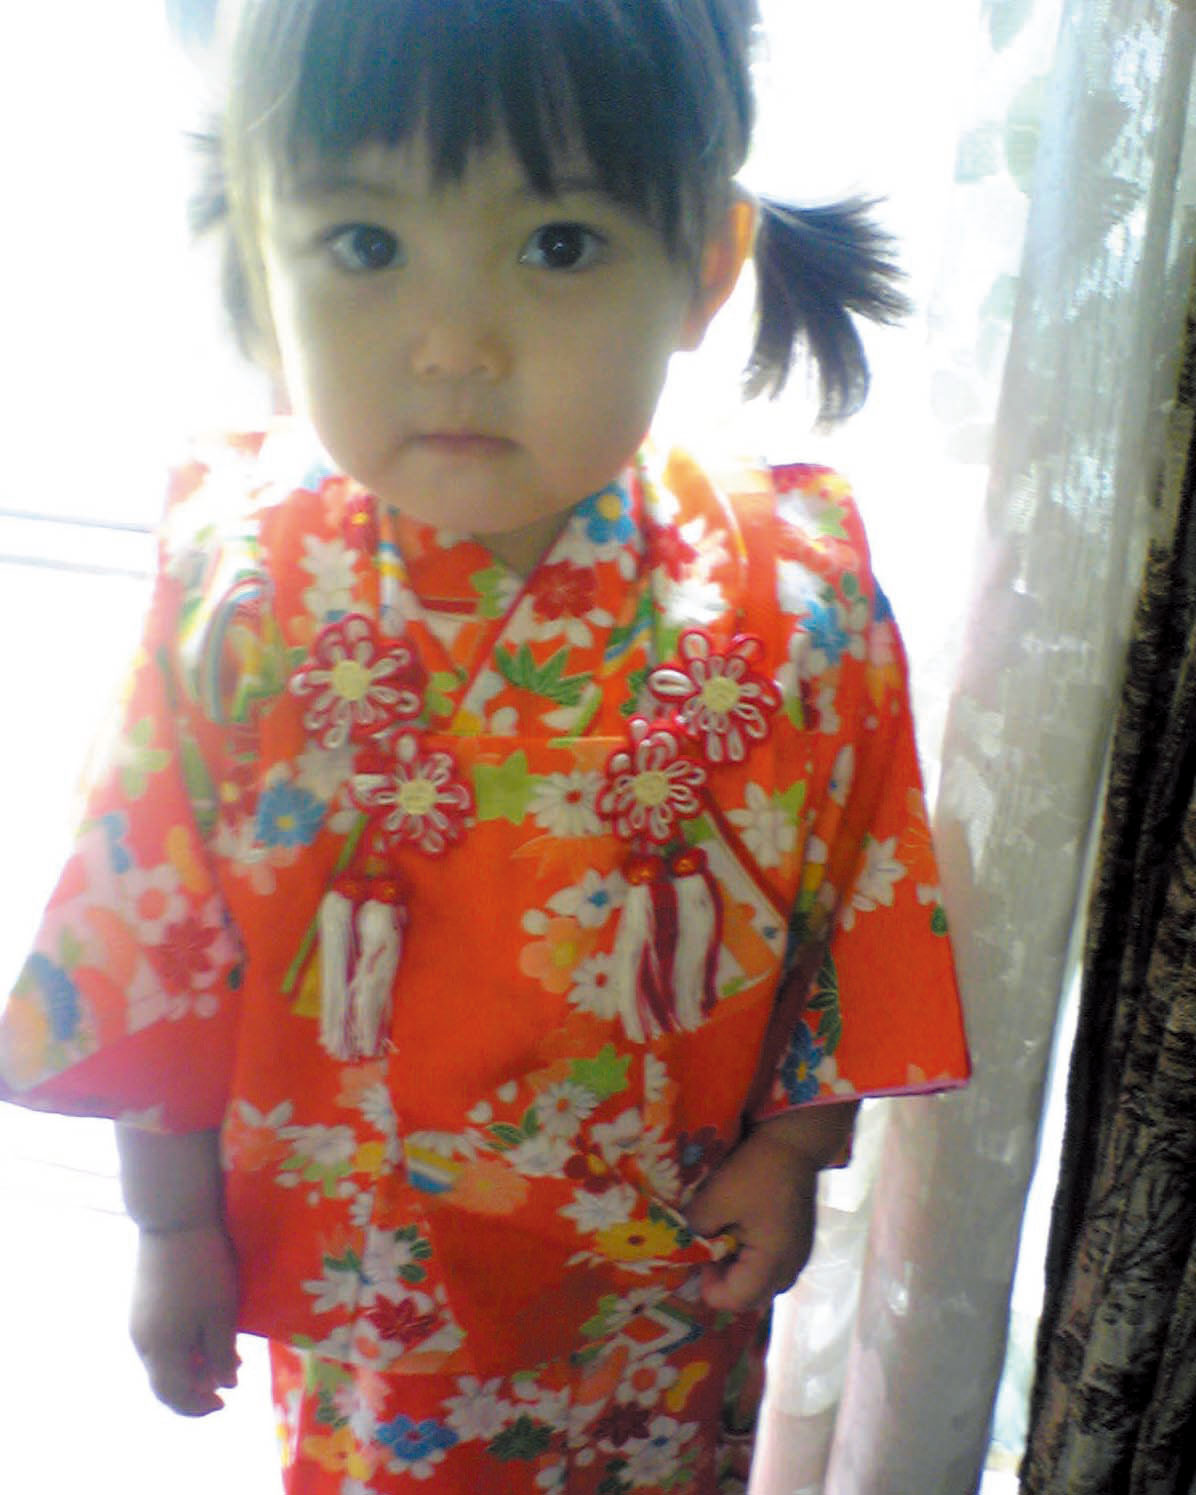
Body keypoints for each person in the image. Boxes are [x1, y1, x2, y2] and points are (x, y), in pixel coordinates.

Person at [0, 1, 970, 1490]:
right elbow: (153, 938)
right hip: (368, 1280)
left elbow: (852, 887)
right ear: (262, 250)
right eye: (366, 244)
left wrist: (795, 1151)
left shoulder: (794, 587)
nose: (453, 347)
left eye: (560, 244)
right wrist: (170, 1223)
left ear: (705, 266)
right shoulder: (238, 589)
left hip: (662, 1269)